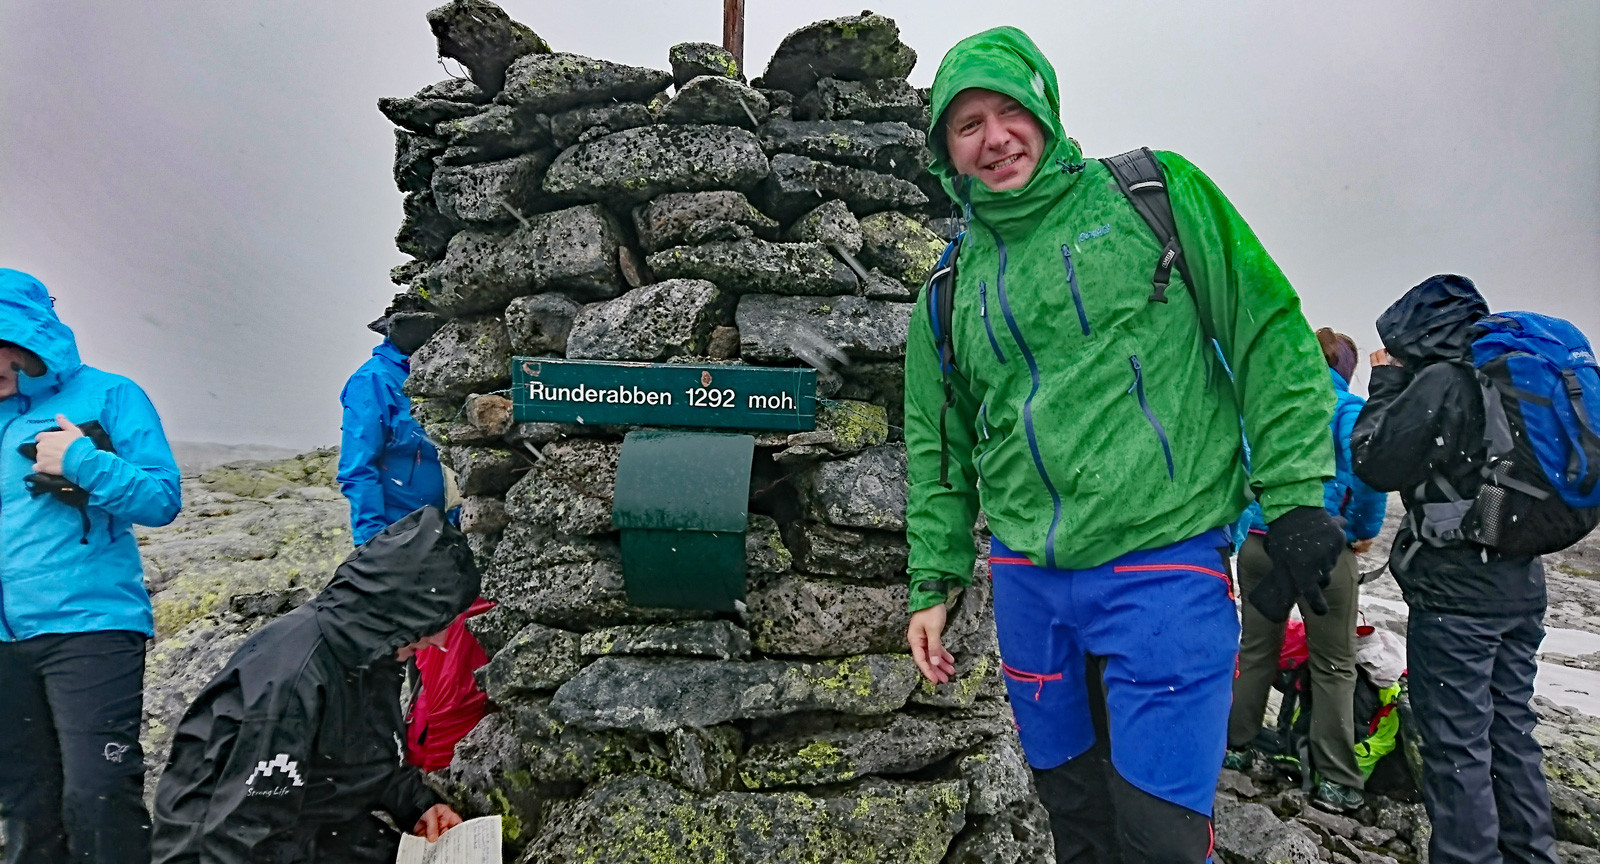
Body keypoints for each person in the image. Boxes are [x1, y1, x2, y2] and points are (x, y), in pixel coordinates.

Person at [902, 27, 1344, 863]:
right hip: (1031, 586)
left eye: (1008, 110)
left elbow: (1267, 331)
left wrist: (1293, 497)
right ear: (946, 152)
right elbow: (935, 444)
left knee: (1162, 841)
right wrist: (933, 578)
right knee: (1078, 827)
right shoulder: (949, 287)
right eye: (967, 125)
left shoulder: (1152, 193)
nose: (995, 138)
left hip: (1162, 567)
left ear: (1044, 106)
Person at [1350, 274, 1558, 864]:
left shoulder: (1445, 381)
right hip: (1520, 587)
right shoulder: (1509, 379)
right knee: (1511, 733)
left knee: (1457, 750)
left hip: (1458, 599)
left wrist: (1387, 382)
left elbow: (1373, 459)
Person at [151, 507, 477, 863]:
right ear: (402, 610)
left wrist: (417, 805)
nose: (440, 640)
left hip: (312, 822)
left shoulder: (372, 649)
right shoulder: (292, 688)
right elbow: (240, 835)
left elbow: (365, 751)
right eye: (434, 625)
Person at [0, 269, 183, 864]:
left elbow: (161, 499)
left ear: (27, 342)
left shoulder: (109, 394)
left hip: (90, 628)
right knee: (26, 805)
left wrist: (82, 461)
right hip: (2, 643)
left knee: (99, 794)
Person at [1224, 328, 1388, 812]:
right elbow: (1368, 472)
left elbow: (1245, 468)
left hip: (1260, 543)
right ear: (1346, 370)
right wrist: (1360, 530)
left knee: (1256, 649)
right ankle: (1336, 779)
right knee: (1334, 662)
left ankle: (1235, 746)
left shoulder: (1273, 405)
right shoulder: (1347, 410)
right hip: (1323, 548)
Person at [336, 306, 446, 547]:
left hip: (449, 527)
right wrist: (373, 542)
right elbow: (357, 467)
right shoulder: (373, 380)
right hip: (402, 531)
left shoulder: (442, 376)